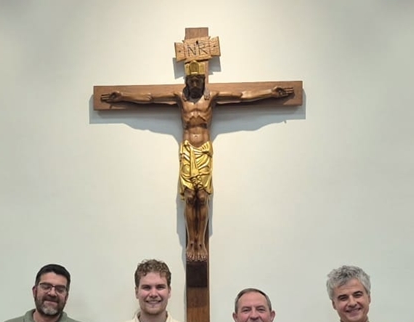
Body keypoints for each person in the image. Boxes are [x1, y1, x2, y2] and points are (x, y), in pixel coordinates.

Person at [99, 65, 293, 261]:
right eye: (191, 81)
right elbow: (150, 98)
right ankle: (191, 241)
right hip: (187, 150)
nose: (194, 84)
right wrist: (123, 96)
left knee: (202, 197)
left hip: (204, 151)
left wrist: (270, 93)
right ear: (186, 82)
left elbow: (242, 96)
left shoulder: (212, 97)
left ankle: (200, 241)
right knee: (189, 197)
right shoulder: (179, 98)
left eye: (197, 81)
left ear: (203, 81)